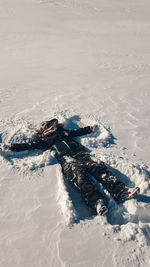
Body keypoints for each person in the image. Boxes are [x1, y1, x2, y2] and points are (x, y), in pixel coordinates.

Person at [10, 118, 140, 215]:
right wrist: (11, 147)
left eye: (52, 124)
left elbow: (77, 132)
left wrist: (89, 129)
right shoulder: (44, 140)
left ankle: (121, 191)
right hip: (66, 160)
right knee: (79, 176)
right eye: (49, 126)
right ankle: (96, 202)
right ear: (44, 130)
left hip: (80, 153)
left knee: (98, 167)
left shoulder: (63, 133)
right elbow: (28, 145)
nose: (52, 126)